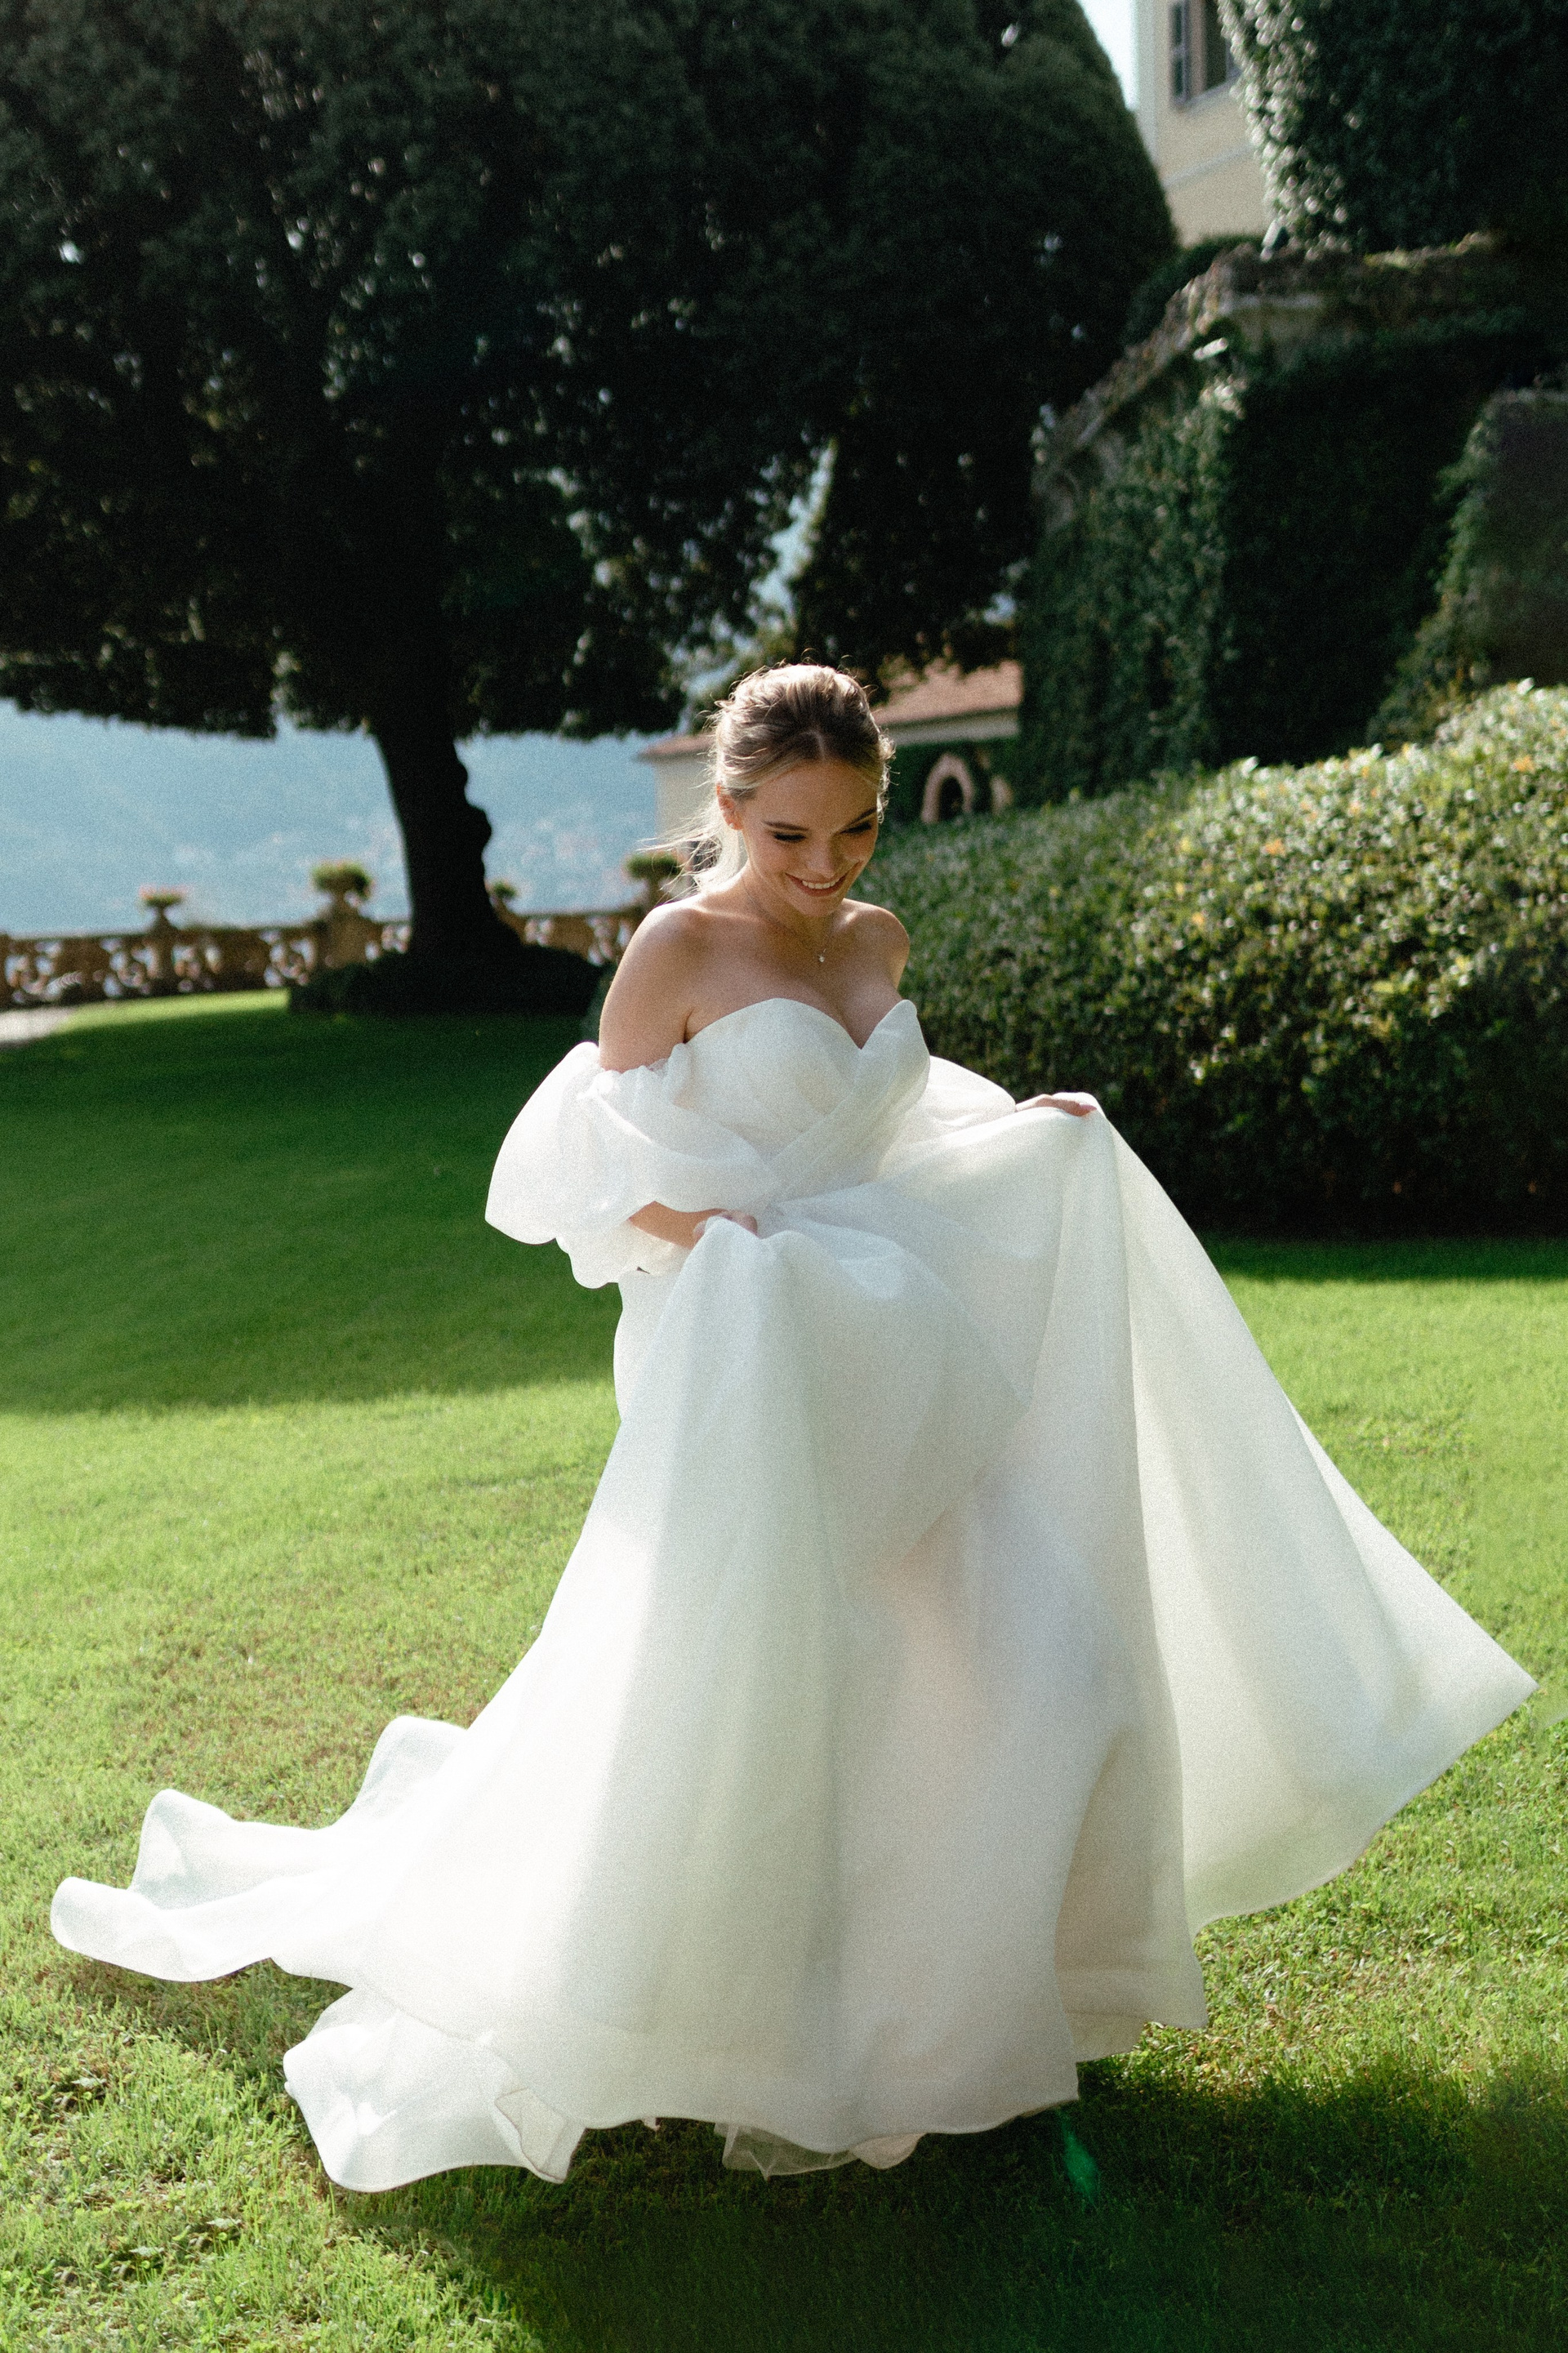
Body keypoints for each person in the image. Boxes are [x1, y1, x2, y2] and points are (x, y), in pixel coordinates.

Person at [53, 663, 1533, 2190]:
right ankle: (697, 2009)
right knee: (760, 1677)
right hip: (751, 1346)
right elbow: (583, 1166)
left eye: (858, 829)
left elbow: (887, 1125)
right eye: (791, 836)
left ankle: (946, 2014)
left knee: (1029, 1655)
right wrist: (724, 1242)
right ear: (731, 808)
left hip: (900, 1341)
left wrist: (1025, 1127)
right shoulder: (677, 950)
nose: (827, 867)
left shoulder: (876, 939)